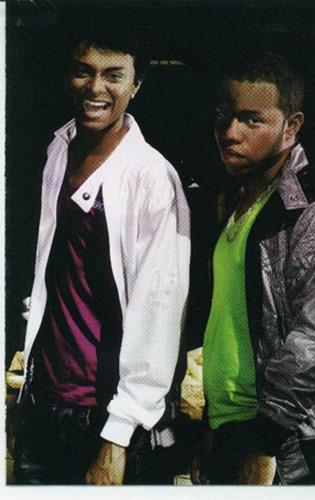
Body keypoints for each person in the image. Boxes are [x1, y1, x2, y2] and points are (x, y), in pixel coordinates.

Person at [14, 18, 190, 485]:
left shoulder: (151, 177)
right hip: (43, 399)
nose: (95, 88)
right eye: (83, 71)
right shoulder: (59, 149)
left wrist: (119, 433)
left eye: (113, 75)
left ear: (137, 84)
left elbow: (159, 311)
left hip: (102, 416)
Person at [190, 52, 315, 485]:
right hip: (231, 429)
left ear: (291, 126)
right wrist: (213, 423)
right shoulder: (237, 203)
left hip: (289, 442)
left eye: (252, 120)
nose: (230, 133)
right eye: (224, 116)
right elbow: (227, 326)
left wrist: (265, 441)